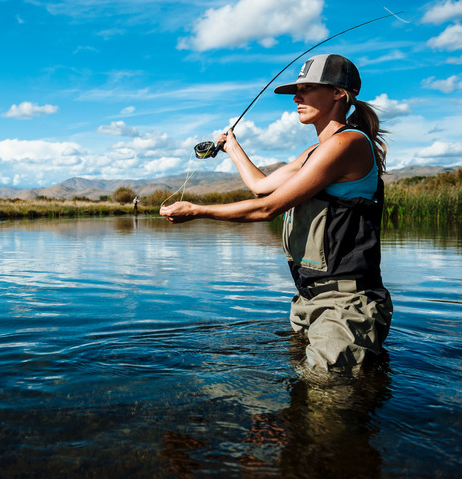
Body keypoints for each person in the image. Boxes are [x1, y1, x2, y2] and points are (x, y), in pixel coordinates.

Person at [160, 54, 392, 369]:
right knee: (307, 395)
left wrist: (197, 210)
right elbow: (261, 186)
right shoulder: (314, 151)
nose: (297, 97)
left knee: (329, 402)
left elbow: (268, 208)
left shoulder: (348, 143)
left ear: (340, 93)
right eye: (297, 90)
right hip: (308, 298)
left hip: (346, 303)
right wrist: (232, 147)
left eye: (307, 88)